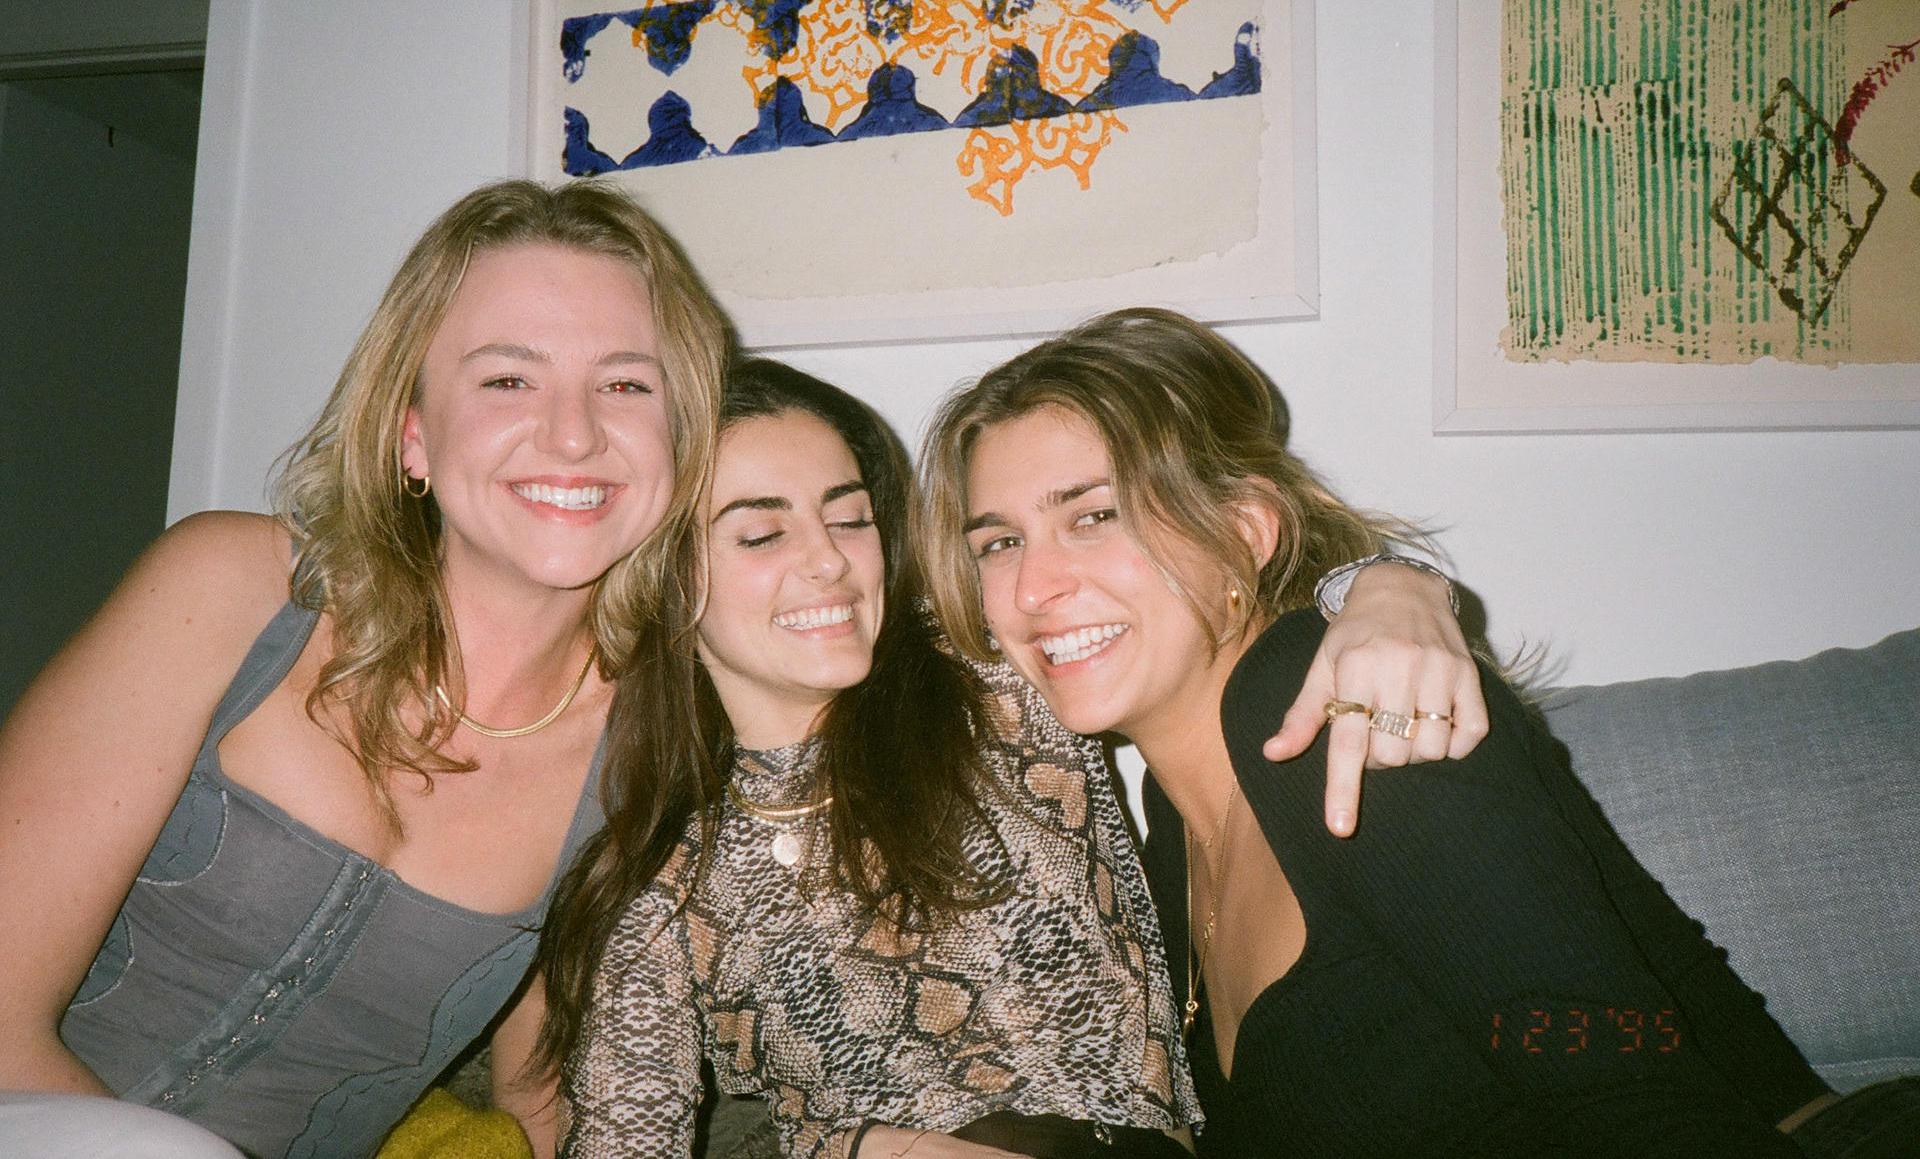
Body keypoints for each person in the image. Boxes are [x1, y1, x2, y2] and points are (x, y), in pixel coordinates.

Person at [918, 307, 1843, 1157]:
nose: (1032, 589)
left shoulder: (1345, 713)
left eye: (1094, 516)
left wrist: (1391, 584)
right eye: (999, 543)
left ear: (1244, 532)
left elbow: (1632, 1091)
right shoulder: (1169, 820)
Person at [540, 358, 1486, 1159]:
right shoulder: (658, 884)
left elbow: (1197, 581)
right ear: (663, 575)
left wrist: (1390, 586)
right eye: (760, 533)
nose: (828, 562)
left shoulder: (999, 688)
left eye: (850, 517)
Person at [0, 179, 731, 1159]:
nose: (574, 433)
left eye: (628, 385)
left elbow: (543, 1095)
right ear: (411, 432)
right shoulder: (230, 589)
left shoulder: (649, 755)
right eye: (508, 380)